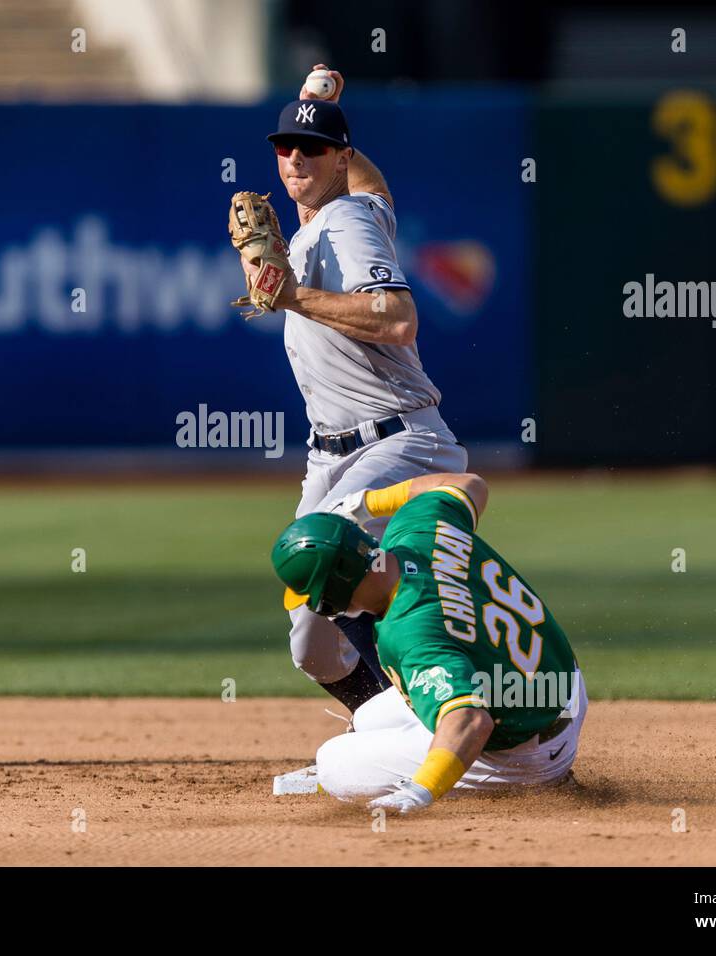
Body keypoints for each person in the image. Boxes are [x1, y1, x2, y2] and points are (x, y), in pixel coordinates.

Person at [243, 64, 467, 713]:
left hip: (399, 442)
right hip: (332, 455)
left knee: (330, 575)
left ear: (338, 156)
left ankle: (441, 717)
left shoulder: (347, 223)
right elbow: (374, 183)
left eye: (312, 147)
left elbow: (397, 319)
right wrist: (316, 107)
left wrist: (292, 296)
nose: (294, 159)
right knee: (310, 643)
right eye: (285, 147)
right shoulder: (355, 204)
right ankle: (383, 729)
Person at [270, 472, 587, 813]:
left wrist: (422, 790)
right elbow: (471, 485)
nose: (322, 607)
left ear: (339, 583)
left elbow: (470, 720)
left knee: (333, 762)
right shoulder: (414, 528)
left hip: (523, 749)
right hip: (559, 687)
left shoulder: (410, 631)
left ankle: (540, 778)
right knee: (368, 719)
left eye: (320, 598)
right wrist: (367, 503)